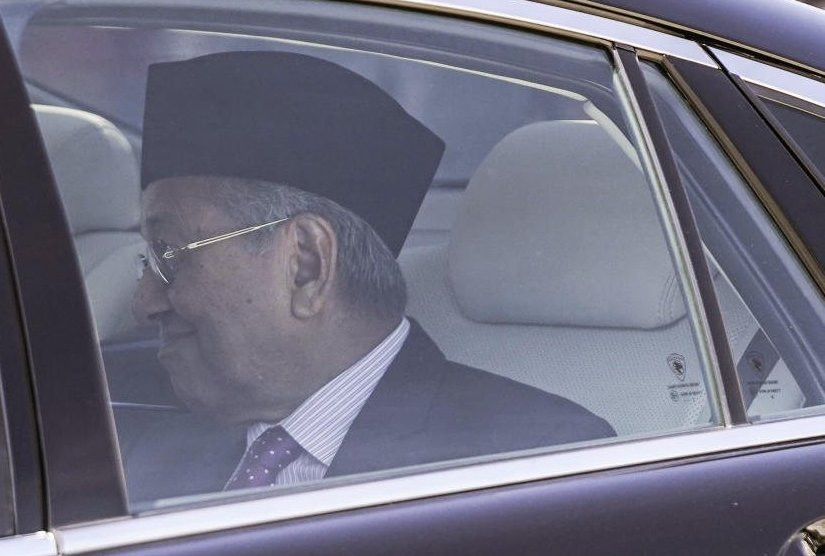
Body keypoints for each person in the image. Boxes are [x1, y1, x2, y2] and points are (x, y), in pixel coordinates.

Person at [120, 50, 614, 503]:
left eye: (169, 253)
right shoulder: (158, 452)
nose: (144, 302)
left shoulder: (534, 466)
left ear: (307, 265)